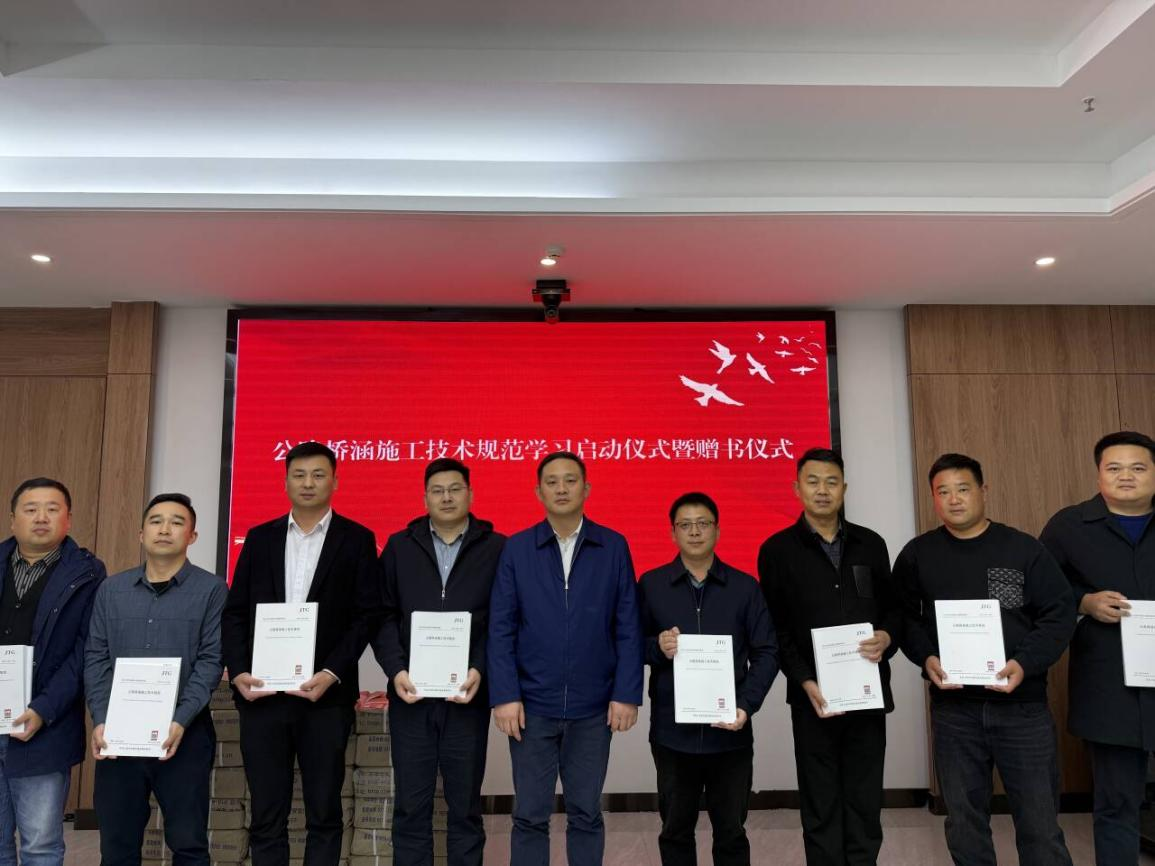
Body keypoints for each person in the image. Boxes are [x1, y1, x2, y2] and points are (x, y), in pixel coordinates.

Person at [896, 453, 1075, 866]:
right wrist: (926, 657)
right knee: (964, 823)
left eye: (963, 489)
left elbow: (1059, 612)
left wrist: (1025, 663)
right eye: (943, 491)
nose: (954, 499)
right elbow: (904, 617)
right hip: (954, 711)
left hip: (1022, 708)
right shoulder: (918, 554)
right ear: (934, 498)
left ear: (983, 491)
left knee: (1040, 825)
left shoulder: (1023, 549)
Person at [221, 441, 382, 865]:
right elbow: (235, 613)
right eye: (299, 475)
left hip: (325, 699)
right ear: (286, 481)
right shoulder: (260, 538)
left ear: (335, 481)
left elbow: (366, 616)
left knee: (324, 812)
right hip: (262, 696)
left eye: (318, 474)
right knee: (266, 814)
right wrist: (239, 671)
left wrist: (331, 672)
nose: (308, 483)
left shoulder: (357, 539)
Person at [488, 451, 644, 866]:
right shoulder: (518, 548)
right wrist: (505, 695)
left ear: (586, 488)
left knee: (586, 813)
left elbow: (628, 624)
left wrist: (626, 693)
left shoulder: (612, 546)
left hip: (593, 708)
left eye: (570, 480)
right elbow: (501, 627)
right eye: (552, 482)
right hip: (531, 707)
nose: (561, 489)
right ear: (538, 491)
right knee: (529, 815)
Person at [758, 448, 900, 866]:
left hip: (867, 694)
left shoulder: (871, 544)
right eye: (813, 481)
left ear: (844, 488)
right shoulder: (777, 550)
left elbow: (893, 609)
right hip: (812, 698)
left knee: (865, 799)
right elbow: (777, 629)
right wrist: (804, 679)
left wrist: (886, 636)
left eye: (831, 482)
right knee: (820, 802)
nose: (823, 490)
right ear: (797, 488)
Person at [373, 458, 506, 866]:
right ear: (425, 497)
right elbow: (382, 614)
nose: (446, 497)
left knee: (465, 807)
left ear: (470, 494)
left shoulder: (498, 548)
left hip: (467, 696)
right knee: (411, 809)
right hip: (411, 697)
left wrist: (480, 668)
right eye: (437, 490)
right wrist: (396, 669)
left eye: (455, 489)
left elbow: (502, 620)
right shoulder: (400, 546)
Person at [85, 493, 227, 866]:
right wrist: (101, 718)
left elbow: (211, 661)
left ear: (192, 536)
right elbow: (96, 657)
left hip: (185, 735)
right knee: (117, 847)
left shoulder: (212, 590)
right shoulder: (111, 590)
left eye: (177, 522)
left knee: (189, 844)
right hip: (120, 737)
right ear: (141, 533)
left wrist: (180, 720)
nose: (165, 529)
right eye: (156, 521)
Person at [638, 492, 777, 866]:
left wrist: (746, 706)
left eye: (703, 524)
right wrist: (657, 647)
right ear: (673, 533)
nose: (695, 532)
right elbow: (630, 645)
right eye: (685, 525)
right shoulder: (651, 585)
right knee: (675, 831)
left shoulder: (745, 587)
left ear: (717, 530)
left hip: (730, 735)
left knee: (731, 833)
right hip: (672, 735)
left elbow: (767, 651)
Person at [1040, 430, 1155, 866]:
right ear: (1098, 474)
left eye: (1138, 467)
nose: (1126, 476)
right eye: (1114, 467)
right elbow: (1039, 591)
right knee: (1117, 802)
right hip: (1109, 686)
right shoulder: (1068, 526)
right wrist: (1083, 602)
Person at [0, 477, 106, 866]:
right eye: (31, 509)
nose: (41, 517)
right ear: (13, 519)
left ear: (68, 519)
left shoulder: (87, 573)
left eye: (52, 509)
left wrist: (43, 709)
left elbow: (85, 651)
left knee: (40, 845)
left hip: (46, 725)